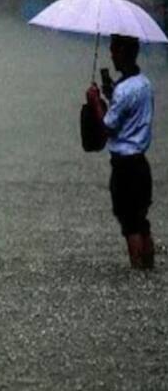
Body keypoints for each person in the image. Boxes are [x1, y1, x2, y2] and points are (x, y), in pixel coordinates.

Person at [86, 34, 155, 270]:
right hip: (141, 165)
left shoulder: (124, 91)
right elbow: (129, 112)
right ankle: (147, 271)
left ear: (124, 52)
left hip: (125, 167)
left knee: (129, 224)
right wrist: (110, 94)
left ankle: (136, 273)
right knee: (141, 221)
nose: (111, 55)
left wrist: (95, 101)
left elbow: (107, 127)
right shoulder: (144, 84)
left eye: (114, 50)